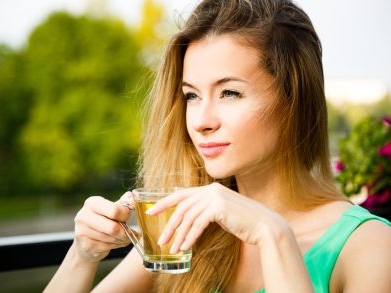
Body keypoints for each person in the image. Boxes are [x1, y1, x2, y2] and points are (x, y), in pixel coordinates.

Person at [45, 0, 391, 292]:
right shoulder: (184, 230)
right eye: (191, 95)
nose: (200, 121)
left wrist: (272, 234)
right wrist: (83, 255)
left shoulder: (369, 245)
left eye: (229, 93)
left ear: (293, 102)